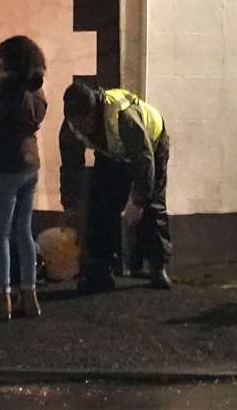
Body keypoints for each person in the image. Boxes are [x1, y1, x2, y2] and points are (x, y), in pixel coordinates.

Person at [60, 82, 171, 291]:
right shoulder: (70, 126)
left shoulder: (123, 117)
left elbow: (144, 160)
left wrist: (137, 201)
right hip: (112, 152)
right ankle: (101, 270)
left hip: (152, 144)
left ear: (94, 113)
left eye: (85, 123)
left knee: (153, 206)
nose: (82, 129)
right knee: (100, 205)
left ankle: (157, 266)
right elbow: (70, 166)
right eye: (76, 123)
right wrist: (69, 205)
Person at [0, 35, 49, 319]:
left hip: (5, 164)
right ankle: (29, 294)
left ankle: (2, 295)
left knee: (0, 235)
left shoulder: (6, 92)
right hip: (30, 163)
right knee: (24, 231)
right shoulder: (36, 90)